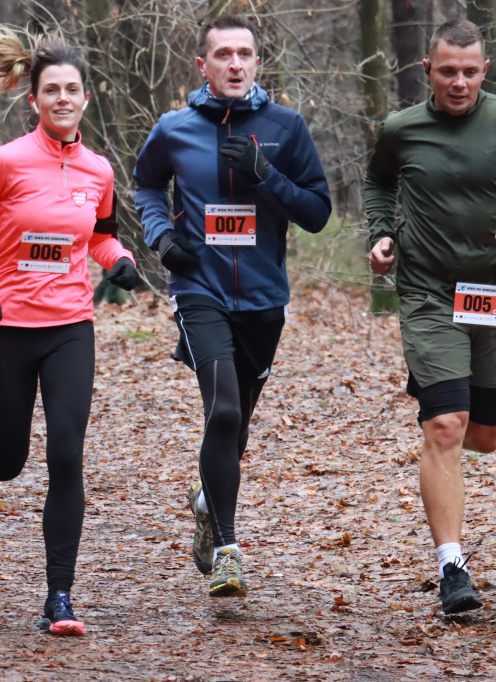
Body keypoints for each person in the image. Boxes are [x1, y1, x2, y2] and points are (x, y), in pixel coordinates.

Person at [363, 19, 496, 614]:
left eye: (470, 71)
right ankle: (452, 568)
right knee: (446, 426)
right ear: (427, 71)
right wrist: (382, 235)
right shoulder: (401, 129)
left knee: (484, 436)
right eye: (447, 70)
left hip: (489, 294)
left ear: (485, 70)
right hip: (428, 293)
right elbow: (378, 184)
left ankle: (455, 428)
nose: (458, 82)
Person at [0, 23, 139, 635]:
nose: (63, 99)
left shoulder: (98, 170)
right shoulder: (5, 162)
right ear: (35, 101)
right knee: (5, 464)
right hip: (4, 328)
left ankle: (60, 597)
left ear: (84, 98)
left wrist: (118, 261)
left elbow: (99, 234)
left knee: (67, 456)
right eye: (52, 90)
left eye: (73, 89)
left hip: (70, 328)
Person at [133, 14, 331, 597]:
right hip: (200, 290)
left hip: (265, 301)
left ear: (258, 63)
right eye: (223, 55)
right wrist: (162, 238)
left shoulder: (285, 127)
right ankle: (227, 549)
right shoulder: (174, 128)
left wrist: (267, 174)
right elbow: (145, 184)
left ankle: (204, 500)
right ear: (203, 65)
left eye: (244, 54)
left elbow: (317, 214)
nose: (235, 64)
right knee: (221, 411)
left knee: (237, 427)